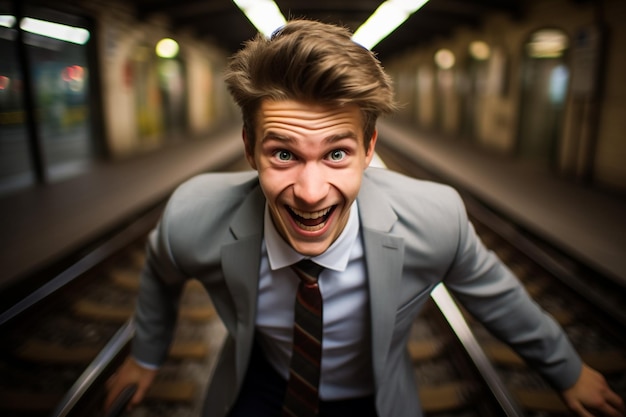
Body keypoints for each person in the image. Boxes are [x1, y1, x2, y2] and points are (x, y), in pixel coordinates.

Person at [105, 19, 625, 417]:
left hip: (375, 400)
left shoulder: (434, 217)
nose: (310, 194)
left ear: (370, 148)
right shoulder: (194, 216)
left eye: (336, 154)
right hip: (261, 386)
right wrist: (146, 355)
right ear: (248, 148)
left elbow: (497, 297)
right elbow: (160, 271)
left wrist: (567, 369)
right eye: (283, 154)